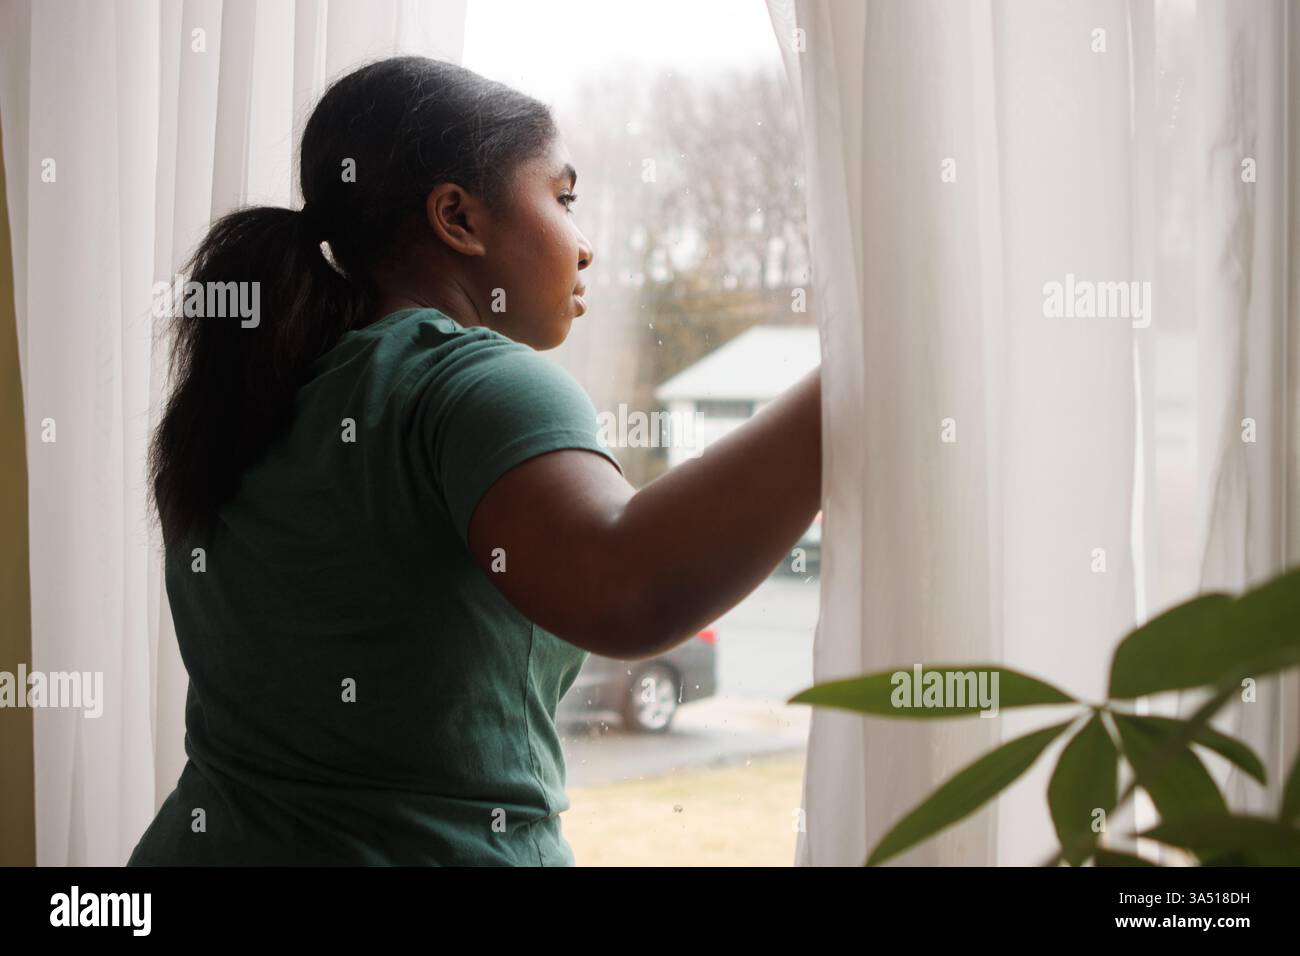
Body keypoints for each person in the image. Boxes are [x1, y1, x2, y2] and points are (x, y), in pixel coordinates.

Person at [127, 55, 821, 866]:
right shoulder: (472, 382)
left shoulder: (246, 399)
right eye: (563, 199)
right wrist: (864, 379)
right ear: (457, 216)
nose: (584, 246)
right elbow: (631, 588)